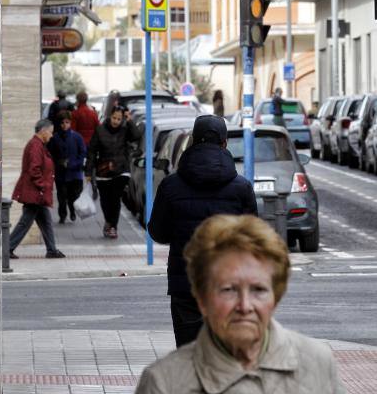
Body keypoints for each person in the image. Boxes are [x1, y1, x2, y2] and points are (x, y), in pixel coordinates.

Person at [136, 214, 346, 394]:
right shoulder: (163, 382)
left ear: (276, 296)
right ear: (202, 299)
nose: (245, 306)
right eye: (229, 290)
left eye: (259, 290)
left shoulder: (318, 362)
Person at [148, 114, 258, 347]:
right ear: (225, 143)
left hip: (186, 284)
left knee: (189, 353)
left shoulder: (171, 185)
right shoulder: (242, 188)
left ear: (192, 141)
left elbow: (158, 232)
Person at [9, 118, 65, 259]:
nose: (52, 136)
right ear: (43, 131)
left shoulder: (38, 145)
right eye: (51, 132)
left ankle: (51, 250)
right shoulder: (35, 146)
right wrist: (43, 185)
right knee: (25, 222)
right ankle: (7, 247)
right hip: (34, 192)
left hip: (36, 192)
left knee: (45, 221)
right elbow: (34, 169)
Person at [85, 105, 141, 239]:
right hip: (103, 171)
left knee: (115, 199)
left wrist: (130, 120)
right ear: (110, 116)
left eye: (119, 119)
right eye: (114, 118)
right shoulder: (100, 130)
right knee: (105, 201)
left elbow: (136, 136)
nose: (116, 121)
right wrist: (88, 171)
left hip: (120, 170)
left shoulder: (125, 129)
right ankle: (108, 222)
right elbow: (92, 151)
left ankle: (112, 227)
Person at [48, 110, 87, 224]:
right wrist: (57, 163)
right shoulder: (54, 138)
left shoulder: (77, 137)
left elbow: (82, 153)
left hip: (74, 173)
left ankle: (72, 211)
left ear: (70, 123)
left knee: (73, 195)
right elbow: (50, 154)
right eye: (62, 123)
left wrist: (74, 164)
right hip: (61, 173)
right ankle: (62, 214)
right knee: (61, 196)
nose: (65, 125)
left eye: (67, 122)